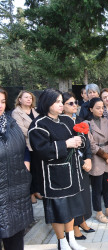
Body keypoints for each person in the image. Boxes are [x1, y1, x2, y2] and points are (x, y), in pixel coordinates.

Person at [28, 88, 88, 250]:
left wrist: (80, 140)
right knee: (59, 210)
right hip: (54, 177)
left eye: (62, 101)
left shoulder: (66, 120)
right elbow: (42, 150)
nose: (61, 105)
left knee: (71, 209)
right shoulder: (38, 125)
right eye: (58, 102)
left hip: (72, 173)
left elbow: (81, 136)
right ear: (47, 103)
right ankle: (61, 242)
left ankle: (71, 240)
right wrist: (66, 144)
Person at [0, 88, 33, 250]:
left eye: (3, 101)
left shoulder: (10, 123)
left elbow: (24, 148)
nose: (0, 105)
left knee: (15, 240)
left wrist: (26, 164)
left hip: (16, 192)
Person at [62, 92, 95, 240]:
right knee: (75, 196)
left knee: (84, 195)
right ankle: (74, 227)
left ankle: (82, 221)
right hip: (72, 165)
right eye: (70, 103)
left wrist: (88, 159)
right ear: (62, 106)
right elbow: (67, 148)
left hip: (84, 163)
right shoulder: (61, 124)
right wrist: (81, 162)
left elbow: (86, 142)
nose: (75, 105)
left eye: (75, 102)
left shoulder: (80, 120)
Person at [86, 97, 108, 223]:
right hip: (96, 157)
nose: (101, 110)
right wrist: (105, 156)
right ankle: (98, 212)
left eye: (102, 107)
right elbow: (91, 144)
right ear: (91, 109)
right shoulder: (87, 123)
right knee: (97, 187)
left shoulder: (107, 121)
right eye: (97, 108)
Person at [11, 90, 41, 203]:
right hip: (26, 145)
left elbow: (42, 124)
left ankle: (37, 190)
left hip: (38, 144)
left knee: (37, 169)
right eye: (26, 97)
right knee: (28, 171)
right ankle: (30, 193)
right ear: (20, 99)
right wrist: (37, 132)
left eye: (30, 97)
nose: (29, 99)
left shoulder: (35, 110)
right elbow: (20, 129)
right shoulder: (16, 113)